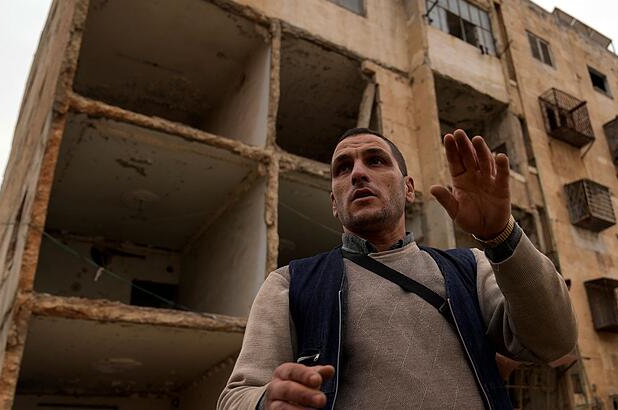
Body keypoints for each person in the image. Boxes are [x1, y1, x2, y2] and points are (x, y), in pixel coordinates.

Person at [218, 128, 577, 410]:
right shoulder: (290, 283)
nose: (358, 173)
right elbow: (236, 397)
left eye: (375, 161)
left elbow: (555, 341)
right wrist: (267, 402)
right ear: (333, 202)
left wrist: (500, 235)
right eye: (343, 168)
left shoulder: (470, 268)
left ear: (408, 190)